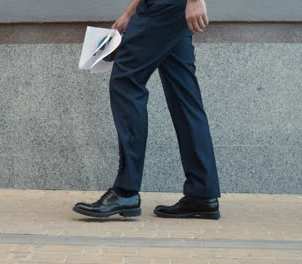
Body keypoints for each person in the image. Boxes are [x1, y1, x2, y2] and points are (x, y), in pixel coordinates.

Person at [73, 0, 221, 220]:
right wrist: (129, 12)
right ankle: (202, 193)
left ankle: (125, 191)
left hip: (165, 6)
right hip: (171, 8)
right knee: (184, 97)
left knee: (126, 82)